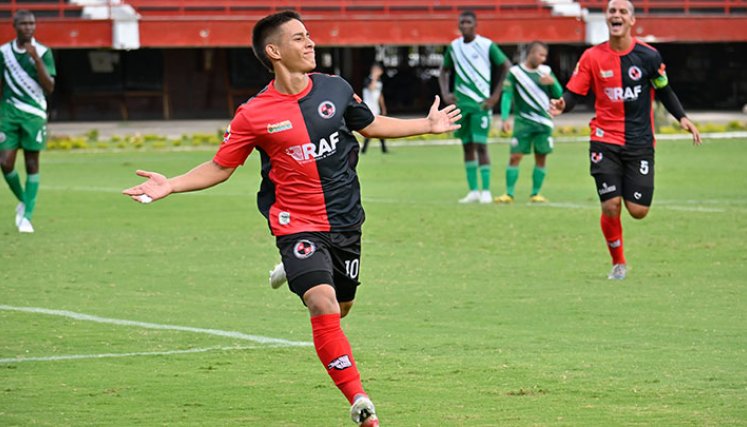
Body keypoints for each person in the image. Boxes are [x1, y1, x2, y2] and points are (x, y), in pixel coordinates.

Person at [122, 11, 460, 426]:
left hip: (345, 222)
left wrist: (426, 125)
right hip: (295, 222)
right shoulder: (254, 113)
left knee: (343, 306)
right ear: (274, 51)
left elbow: (369, 126)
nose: (310, 43)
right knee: (321, 301)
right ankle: (361, 404)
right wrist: (171, 184)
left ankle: (297, 269)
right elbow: (221, 166)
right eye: (300, 38)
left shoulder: (336, 89)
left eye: (309, 36)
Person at [550, 0, 701, 280]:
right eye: (612, 11)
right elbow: (573, 93)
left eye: (622, 12)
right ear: (607, 19)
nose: (616, 15)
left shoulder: (649, 57)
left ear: (632, 21)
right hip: (604, 139)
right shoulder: (592, 57)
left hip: (640, 142)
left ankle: (622, 244)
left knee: (638, 211)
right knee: (611, 204)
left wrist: (682, 117)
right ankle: (618, 262)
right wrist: (562, 105)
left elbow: (664, 90)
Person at [439, 10, 511, 204]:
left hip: (480, 104)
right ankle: (473, 191)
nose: (464, 26)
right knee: (466, 146)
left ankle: (486, 190)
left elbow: (506, 66)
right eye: (462, 22)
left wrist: (495, 96)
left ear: (475, 24)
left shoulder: (486, 45)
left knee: (481, 145)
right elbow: (444, 71)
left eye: (468, 22)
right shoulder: (454, 47)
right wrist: (445, 94)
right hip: (461, 105)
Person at [0, 10, 56, 233]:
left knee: (32, 164)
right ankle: (24, 201)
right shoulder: (4, 52)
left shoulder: (43, 52)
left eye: (32, 24)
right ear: (15, 26)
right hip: (9, 113)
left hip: (34, 115)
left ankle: (27, 217)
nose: (28, 27)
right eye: (24, 24)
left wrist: (35, 59)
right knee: (5, 162)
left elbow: (50, 87)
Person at [494, 41, 562, 204]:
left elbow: (558, 95)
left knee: (541, 157)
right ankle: (509, 193)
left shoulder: (545, 72)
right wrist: (504, 118)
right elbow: (507, 96)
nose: (543, 59)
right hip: (523, 122)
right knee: (515, 156)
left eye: (545, 56)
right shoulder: (516, 73)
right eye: (540, 54)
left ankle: (535, 193)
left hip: (543, 122)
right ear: (531, 53)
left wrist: (553, 83)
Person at [361, 62, 388, 154]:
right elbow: (371, 88)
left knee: (380, 128)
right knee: (372, 127)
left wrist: (383, 107)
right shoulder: (368, 80)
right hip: (369, 107)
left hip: (376, 108)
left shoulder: (380, 82)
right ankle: (364, 149)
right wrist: (375, 77)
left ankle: (383, 148)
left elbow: (380, 95)